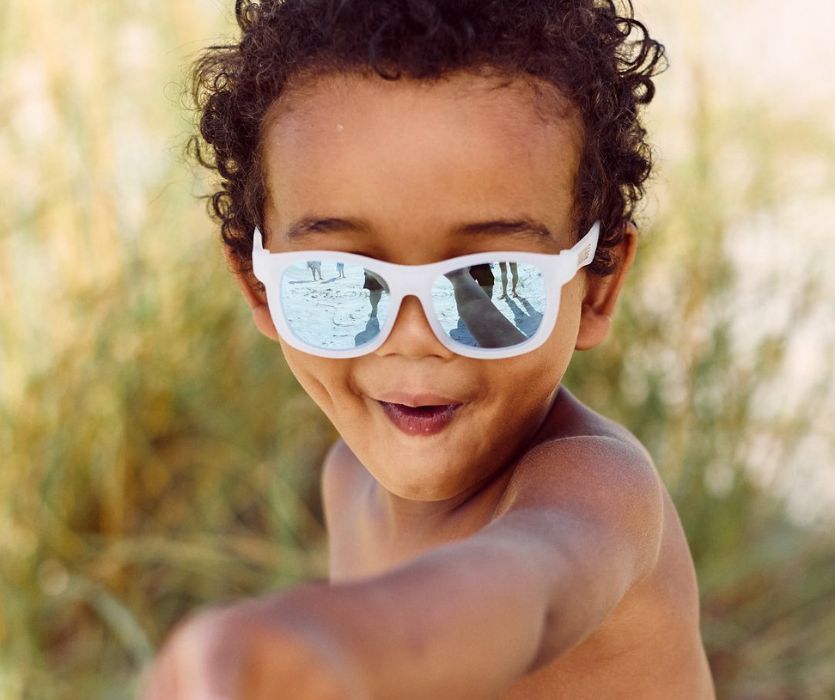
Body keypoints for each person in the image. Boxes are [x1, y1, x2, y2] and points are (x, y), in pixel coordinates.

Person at [144, 1, 715, 698]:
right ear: (256, 284)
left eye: (490, 281)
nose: (412, 337)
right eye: (340, 279)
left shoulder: (598, 491)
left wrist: (334, 637)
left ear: (595, 287)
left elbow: (527, 588)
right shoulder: (347, 478)